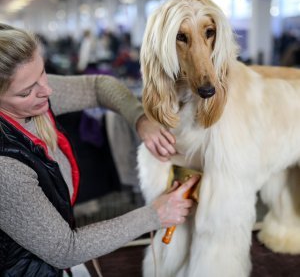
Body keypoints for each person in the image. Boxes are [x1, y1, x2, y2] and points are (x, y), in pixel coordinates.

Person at [0, 23, 199, 276]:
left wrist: (138, 118)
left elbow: (97, 86)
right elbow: (64, 250)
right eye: (27, 92)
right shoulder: (5, 169)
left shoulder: (36, 92)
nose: (47, 91)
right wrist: (154, 215)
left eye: (43, 73)